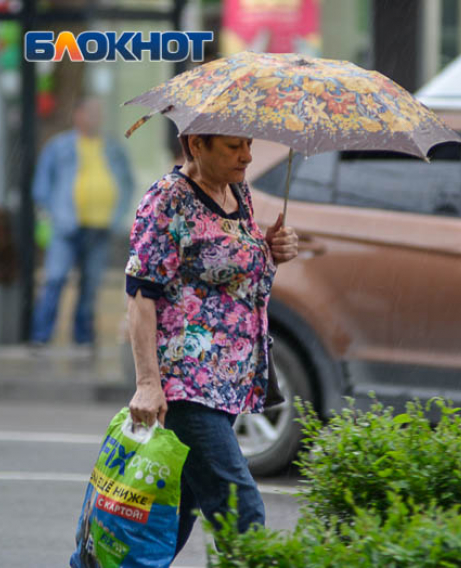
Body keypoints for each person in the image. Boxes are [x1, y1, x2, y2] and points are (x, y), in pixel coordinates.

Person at [125, 133, 298, 557]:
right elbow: (140, 293)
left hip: (228, 387)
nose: (248, 154)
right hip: (186, 387)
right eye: (233, 146)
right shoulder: (169, 199)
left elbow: (239, 277)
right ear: (196, 145)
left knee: (167, 524)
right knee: (241, 511)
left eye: (248, 143)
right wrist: (148, 383)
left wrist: (273, 250)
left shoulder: (236, 193)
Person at [30, 97, 134, 347]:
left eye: (99, 113)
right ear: (78, 115)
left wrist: (117, 214)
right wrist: (55, 212)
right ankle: (41, 336)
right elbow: (42, 185)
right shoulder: (59, 146)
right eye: (90, 112)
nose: (96, 118)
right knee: (55, 278)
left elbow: (126, 183)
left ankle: (83, 338)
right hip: (66, 226)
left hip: (100, 226)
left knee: (91, 284)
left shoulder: (112, 147)